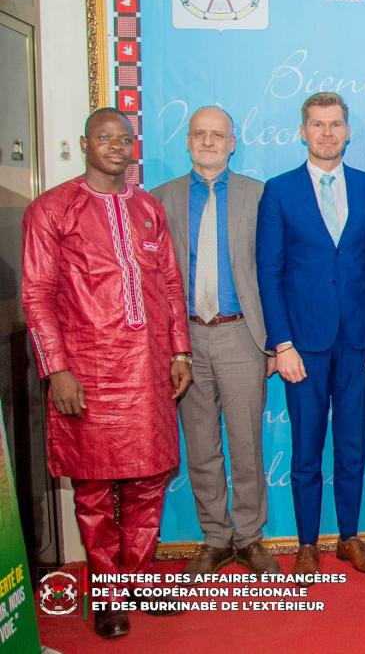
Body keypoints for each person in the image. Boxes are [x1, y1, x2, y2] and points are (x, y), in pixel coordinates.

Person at [22, 108, 193, 638]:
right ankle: (107, 593)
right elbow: (36, 294)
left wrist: (179, 352)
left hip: (146, 371)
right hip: (87, 371)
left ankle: (140, 576)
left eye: (125, 139)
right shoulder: (53, 209)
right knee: (94, 489)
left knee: (147, 480)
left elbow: (169, 284)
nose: (117, 146)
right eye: (105, 138)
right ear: (85, 144)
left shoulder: (147, 209)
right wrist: (58, 370)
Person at [256, 92, 365, 580]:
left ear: (348, 131)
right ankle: (308, 543)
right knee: (306, 449)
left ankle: (349, 537)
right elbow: (269, 273)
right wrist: (283, 343)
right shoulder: (279, 191)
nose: (327, 132)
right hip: (304, 348)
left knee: (353, 446)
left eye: (335, 124)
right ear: (303, 131)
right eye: (318, 124)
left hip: (360, 343)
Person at [151, 106, 279, 577]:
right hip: (184, 340)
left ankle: (250, 538)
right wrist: (168, 345)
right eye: (200, 134)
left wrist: (272, 342)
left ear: (232, 142)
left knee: (246, 443)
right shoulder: (159, 199)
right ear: (188, 141)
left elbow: (273, 271)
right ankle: (215, 538)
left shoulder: (259, 196)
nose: (208, 141)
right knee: (201, 445)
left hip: (242, 334)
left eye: (217, 135)